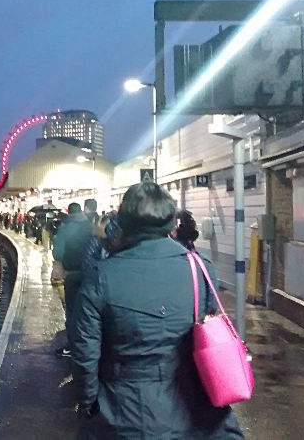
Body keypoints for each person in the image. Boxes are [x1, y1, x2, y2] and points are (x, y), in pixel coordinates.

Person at [71, 181, 243, 439]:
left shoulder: (100, 276)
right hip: (193, 406)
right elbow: (207, 326)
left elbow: (85, 353)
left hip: (123, 408)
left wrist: (89, 403)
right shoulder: (200, 267)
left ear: (124, 223)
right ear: (172, 223)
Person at [52, 202, 93, 358]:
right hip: (90, 274)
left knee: (72, 310)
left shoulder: (65, 229)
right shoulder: (89, 226)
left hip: (72, 274)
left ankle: (72, 346)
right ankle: (88, 344)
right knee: (88, 310)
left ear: (68, 212)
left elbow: (58, 253)